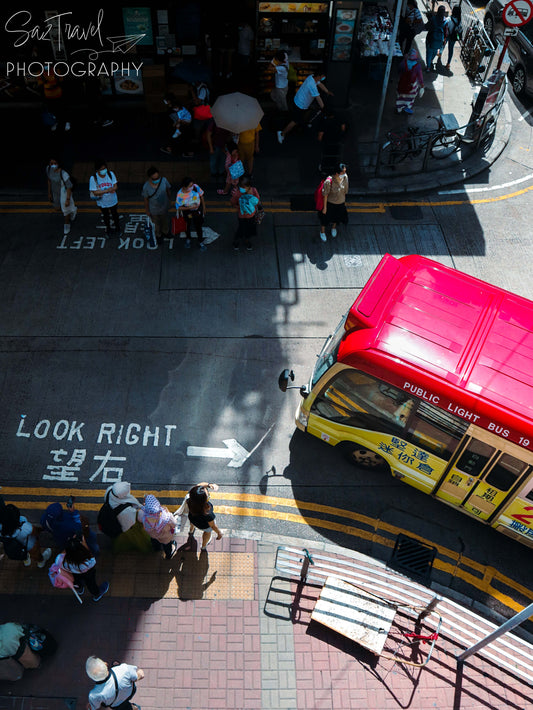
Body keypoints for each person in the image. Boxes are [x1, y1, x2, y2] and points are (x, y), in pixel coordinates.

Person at [277, 72, 333, 144]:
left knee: (299, 117)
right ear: (318, 76)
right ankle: (282, 133)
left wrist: (327, 91)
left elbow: (320, 84)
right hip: (300, 105)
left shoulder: (312, 77)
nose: (323, 78)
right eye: (322, 76)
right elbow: (318, 98)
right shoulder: (311, 85)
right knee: (294, 121)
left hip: (298, 101)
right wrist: (324, 108)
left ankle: (299, 124)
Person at [62, 532, 109, 601]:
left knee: (76, 581)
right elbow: (93, 562)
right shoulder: (87, 561)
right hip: (88, 573)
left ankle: (80, 589)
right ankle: (96, 594)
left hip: (74, 573)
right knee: (91, 584)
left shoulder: (64, 561)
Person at [137, 494, 177, 559]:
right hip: (165, 537)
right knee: (167, 545)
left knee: (155, 542)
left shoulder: (142, 514)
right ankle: (168, 555)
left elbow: (139, 519)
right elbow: (174, 524)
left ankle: (157, 549)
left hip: (153, 535)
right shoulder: (167, 516)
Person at [186, 482, 223, 551]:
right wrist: (219, 533)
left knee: (192, 524)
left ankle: (191, 531)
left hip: (192, 518)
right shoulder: (208, 513)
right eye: (207, 495)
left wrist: (209, 485)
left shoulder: (189, 498)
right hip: (204, 526)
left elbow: (198, 486)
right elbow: (213, 526)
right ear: (203, 501)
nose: (208, 494)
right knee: (207, 532)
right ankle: (203, 546)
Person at [89, 160, 120, 237]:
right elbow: (94, 192)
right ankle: (108, 229)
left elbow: (115, 185)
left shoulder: (110, 174)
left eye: (105, 168)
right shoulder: (93, 178)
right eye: (101, 169)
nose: (104, 170)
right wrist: (107, 190)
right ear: (97, 170)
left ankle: (118, 228)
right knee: (106, 216)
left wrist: (113, 189)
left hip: (113, 200)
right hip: (102, 202)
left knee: (115, 214)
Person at [46, 159, 77, 235]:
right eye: (51, 163)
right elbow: (49, 181)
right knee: (57, 208)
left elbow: (69, 187)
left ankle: (67, 224)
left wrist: (67, 199)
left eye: (55, 163)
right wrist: (49, 193)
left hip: (64, 193)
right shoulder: (48, 169)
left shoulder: (63, 173)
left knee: (65, 210)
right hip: (55, 193)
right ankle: (73, 210)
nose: (53, 165)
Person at [319, 163, 348, 243]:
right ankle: (322, 231)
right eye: (343, 172)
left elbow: (346, 190)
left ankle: (334, 228)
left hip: (340, 203)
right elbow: (325, 195)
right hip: (330, 204)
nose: (344, 173)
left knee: (337, 217)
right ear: (336, 173)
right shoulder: (329, 181)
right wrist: (325, 208)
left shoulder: (345, 178)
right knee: (325, 219)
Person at [230, 175, 261, 252]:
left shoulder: (254, 191)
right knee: (241, 229)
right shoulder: (237, 193)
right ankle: (236, 241)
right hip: (242, 216)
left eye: (244, 187)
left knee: (249, 229)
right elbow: (233, 203)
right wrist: (239, 207)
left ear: (249, 186)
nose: (242, 189)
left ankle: (247, 240)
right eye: (240, 186)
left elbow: (257, 201)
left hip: (251, 215)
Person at [175, 177, 207, 250]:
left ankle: (200, 241)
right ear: (184, 186)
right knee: (187, 225)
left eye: (192, 185)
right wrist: (189, 208)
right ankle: (188, 238)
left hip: (197, 211)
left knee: (198, 226)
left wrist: (204, 208)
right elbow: (178, 207)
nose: (192, 187)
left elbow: (201, 196)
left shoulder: (195, 187)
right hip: (188, 212)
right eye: (190, 186)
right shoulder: (180, 195)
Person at [142, 167, 172, 244]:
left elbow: (168, 190)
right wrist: (147, 211)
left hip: (164, 207)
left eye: (157, 178)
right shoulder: (146, 187)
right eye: (154, 179)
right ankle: (158, 235)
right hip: (153, 209)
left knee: (165, 221)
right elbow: (146, 200)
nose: (156, 180)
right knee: (156, 223)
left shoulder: (164, 180)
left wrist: (169, 200)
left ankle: (166, 232)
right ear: (150, 178)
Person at [396, 48, 424, 114]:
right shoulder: (417, 66)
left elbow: (399, 71)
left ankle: (399, 109)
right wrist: (422, 85)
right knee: (409, 98)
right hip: (412, 85)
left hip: (402, 83)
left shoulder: (403, 63)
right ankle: (407, 107)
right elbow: (420, 77)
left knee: (400, 97)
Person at [425, 5, 448, 71]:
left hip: (430, 39)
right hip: (439, 41)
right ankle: (431, 60)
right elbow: (446, 32)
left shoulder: (433, 19)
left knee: (429, 53)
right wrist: (444, 40)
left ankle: (428, 66)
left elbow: (427, 27)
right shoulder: (445, 21)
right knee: (435, 52)